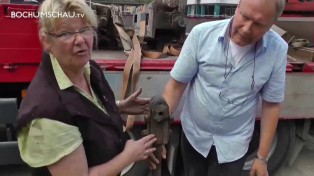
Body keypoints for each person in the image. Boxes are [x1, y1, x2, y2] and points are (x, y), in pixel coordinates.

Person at [16, 0, 157, 176]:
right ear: (46, 41)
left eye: (85, 29)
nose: (80, 40)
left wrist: (117, 106)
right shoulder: (48, 113)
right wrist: (129, 156)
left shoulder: (86, 68)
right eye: (66, 33)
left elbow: (81, 109)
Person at [161, 0, 288, 176]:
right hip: (193, 137)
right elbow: (175, 87)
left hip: (234, 146)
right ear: (237, 7)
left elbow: (272, 105)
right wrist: (159, 137)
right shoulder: (201, 35)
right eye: (244, 16)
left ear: (272, 23)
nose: (246, 29)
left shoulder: (278, 50)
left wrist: (262, 158)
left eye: (259, 24)